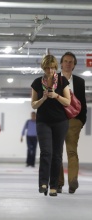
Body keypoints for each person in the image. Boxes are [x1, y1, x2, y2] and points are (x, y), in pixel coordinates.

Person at [31, 54, 71, 196]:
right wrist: (43, 98)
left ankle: (54, 185)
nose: (50, 71)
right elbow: (33, 105)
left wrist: (56, 96)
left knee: (57, 154)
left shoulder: (62, 81)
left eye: (53, 68)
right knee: (46, 152)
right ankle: (43, 183)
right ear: (43, 68)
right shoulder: (37, 82)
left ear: (55, 67)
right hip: (43, 121)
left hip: (60, 122)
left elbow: (68, 101)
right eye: (47, 68)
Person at [58, 52, 87, 194]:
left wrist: (81, 121)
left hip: (74, 121)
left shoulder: (80, 82)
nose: (68, 64)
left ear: (74, 65)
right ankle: (58, 182)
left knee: (71, 151)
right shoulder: (53, 79)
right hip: (57, 120)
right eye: (65, 61)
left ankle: (72, 181)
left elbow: (83, 103)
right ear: (61, 63)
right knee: (56, 152)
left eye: (71, 62)